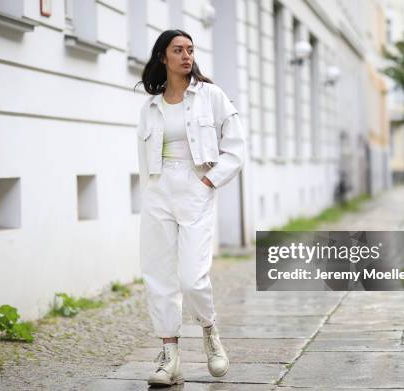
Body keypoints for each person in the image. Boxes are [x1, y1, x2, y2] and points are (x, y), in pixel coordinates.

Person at [135, 29, 246, 386]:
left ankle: (210, 332)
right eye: (178, 50)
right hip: (158, 189)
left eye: (190, 50)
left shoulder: (210, 96)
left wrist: (210, 181)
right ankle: (170, 357)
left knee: (192, 278)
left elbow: (237, 147)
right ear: (162, 57)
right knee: (159, 276)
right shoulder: (150, 106)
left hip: (196, 185)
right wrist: (151, 191)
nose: (186, 56)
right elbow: (143, 158)